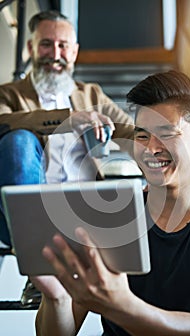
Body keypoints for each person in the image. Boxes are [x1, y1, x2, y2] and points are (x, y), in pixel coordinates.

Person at [31, 70, 190, 336]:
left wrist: (120, 305)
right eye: (142, 136)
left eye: (166, 134)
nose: (151, 149)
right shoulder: (109, 218)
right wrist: (57, 298)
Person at [0, 11, 134, 306]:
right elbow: (2, 123)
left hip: (83, 211)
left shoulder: (91, 94)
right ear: (31, 48)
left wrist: (168, 141)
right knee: (18, 140)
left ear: (74, 52)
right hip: (21, 214)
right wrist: (68, 119)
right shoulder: (8, 94)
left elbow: (133, 134)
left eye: (63, 46)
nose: (55, 54)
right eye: (47, 44)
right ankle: (38, 263)